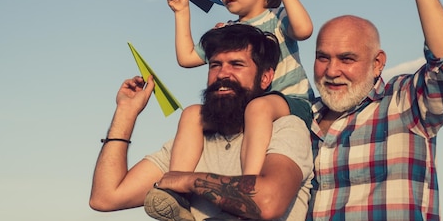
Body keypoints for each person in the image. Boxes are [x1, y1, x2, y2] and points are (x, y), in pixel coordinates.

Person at [308, 0, 443, 221]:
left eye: (347, 59)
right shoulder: (302, 118)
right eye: (323, 58)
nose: (332, 71)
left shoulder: (405, 104)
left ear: (377, 63)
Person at [89, 24, 313, 221]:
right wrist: (126, 113)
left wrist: (186, 181)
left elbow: (268, 202)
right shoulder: (191, 142)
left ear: (265, 77)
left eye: (236, 64)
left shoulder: (286, 129)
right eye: (215, 65)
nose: (223, 73)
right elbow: (105, 198)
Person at [167, 0, 314, 179]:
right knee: (192, 114)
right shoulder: (228, 31)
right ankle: (174, 184)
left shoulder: (277, 17)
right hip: (247, 111)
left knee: (258, 107)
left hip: (291, 102)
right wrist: (182, 12)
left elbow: (304, 29)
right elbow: (186, 58)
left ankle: (248, 185)